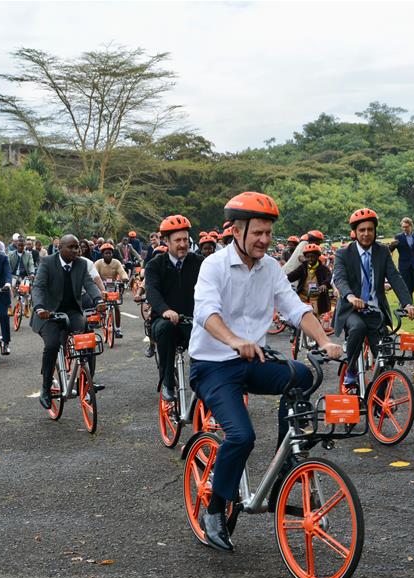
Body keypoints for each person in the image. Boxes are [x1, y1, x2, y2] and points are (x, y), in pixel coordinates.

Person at [188, 192, 343, 552]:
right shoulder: (213, 266)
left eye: (268, 233)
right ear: (237, 230)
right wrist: (234, 340)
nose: (264, 240)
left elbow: (295, 307)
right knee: (241, 437)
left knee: (303, 375)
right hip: (213, 367)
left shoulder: (271, 267)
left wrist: (325, 341)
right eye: (257, 232)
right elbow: (206, 313)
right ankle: (214, 511)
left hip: (252, 360)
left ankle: (283, 469)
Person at [333, 208, 414, 391]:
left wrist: (407, 303)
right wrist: (350, 296)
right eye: (362, 230)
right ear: (355, 232)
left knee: (386, 355)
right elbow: (340, 278)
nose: (366, 234)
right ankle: (351, 369)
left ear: (375, 231)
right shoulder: (343, 254)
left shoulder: (382, 252)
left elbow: (395, 277)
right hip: (351, 310)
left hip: (375, 311)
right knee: (358, 327)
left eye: (370, 229)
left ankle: (377, 397)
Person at [30, 234, 102, 410]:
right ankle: (46, 388)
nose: (76, 250)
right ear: (60, 247)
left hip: (72, 312)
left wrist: (98, 299)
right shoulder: (47, 262)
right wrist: (39, 307)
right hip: (48, 313)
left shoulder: (81, 264)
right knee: (53, 345)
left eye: (77, 247)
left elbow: (89, 283)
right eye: (71, 247)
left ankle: (87, 382)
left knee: (88, 339)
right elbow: (38, 287)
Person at [144, 215, 202, 403]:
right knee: (166, 328)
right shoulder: (155, 265)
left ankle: (202, 383)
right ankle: (168, 383)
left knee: (208, 340)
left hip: (192, 320)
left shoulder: (200, 263)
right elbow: (151, 292)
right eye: (177, 240)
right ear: (166, 241)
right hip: (164, 320)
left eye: (185, 239)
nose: (183, 244)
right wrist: (165, 310)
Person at [93, 242, 129, 338]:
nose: (108, 255)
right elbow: (94, 274)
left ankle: (118, 329)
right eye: (106, 253)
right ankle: (100, 320)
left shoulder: (116, 262)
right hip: (101, 287)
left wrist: (124, 278)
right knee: (101, 305)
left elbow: (122, 271)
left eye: (110, 253)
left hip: (113, 287)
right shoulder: (98, 263)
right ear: (102, 254)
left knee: (116, 307)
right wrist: (97, 282)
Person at [287, 243, 332, 315]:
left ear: (318, 256)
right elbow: (292, 275)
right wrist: (283, 279)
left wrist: (325, 284)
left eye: (313, 257)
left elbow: (329, 278)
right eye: (308, 257)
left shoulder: (323, 269)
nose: (310, 259)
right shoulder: (303, 267)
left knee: (314, 317)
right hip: (302, 298)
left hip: (317, 299)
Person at [389, 217, 414, 295]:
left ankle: (404, 302)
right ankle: (409, 304)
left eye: (406, 227)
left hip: (413, 265)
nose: (405, 229)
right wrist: (391, 245)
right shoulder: (398, 237)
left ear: (411, 226)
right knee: (407, 286)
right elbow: (390, 250)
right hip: (403, 266)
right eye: (403, 227)